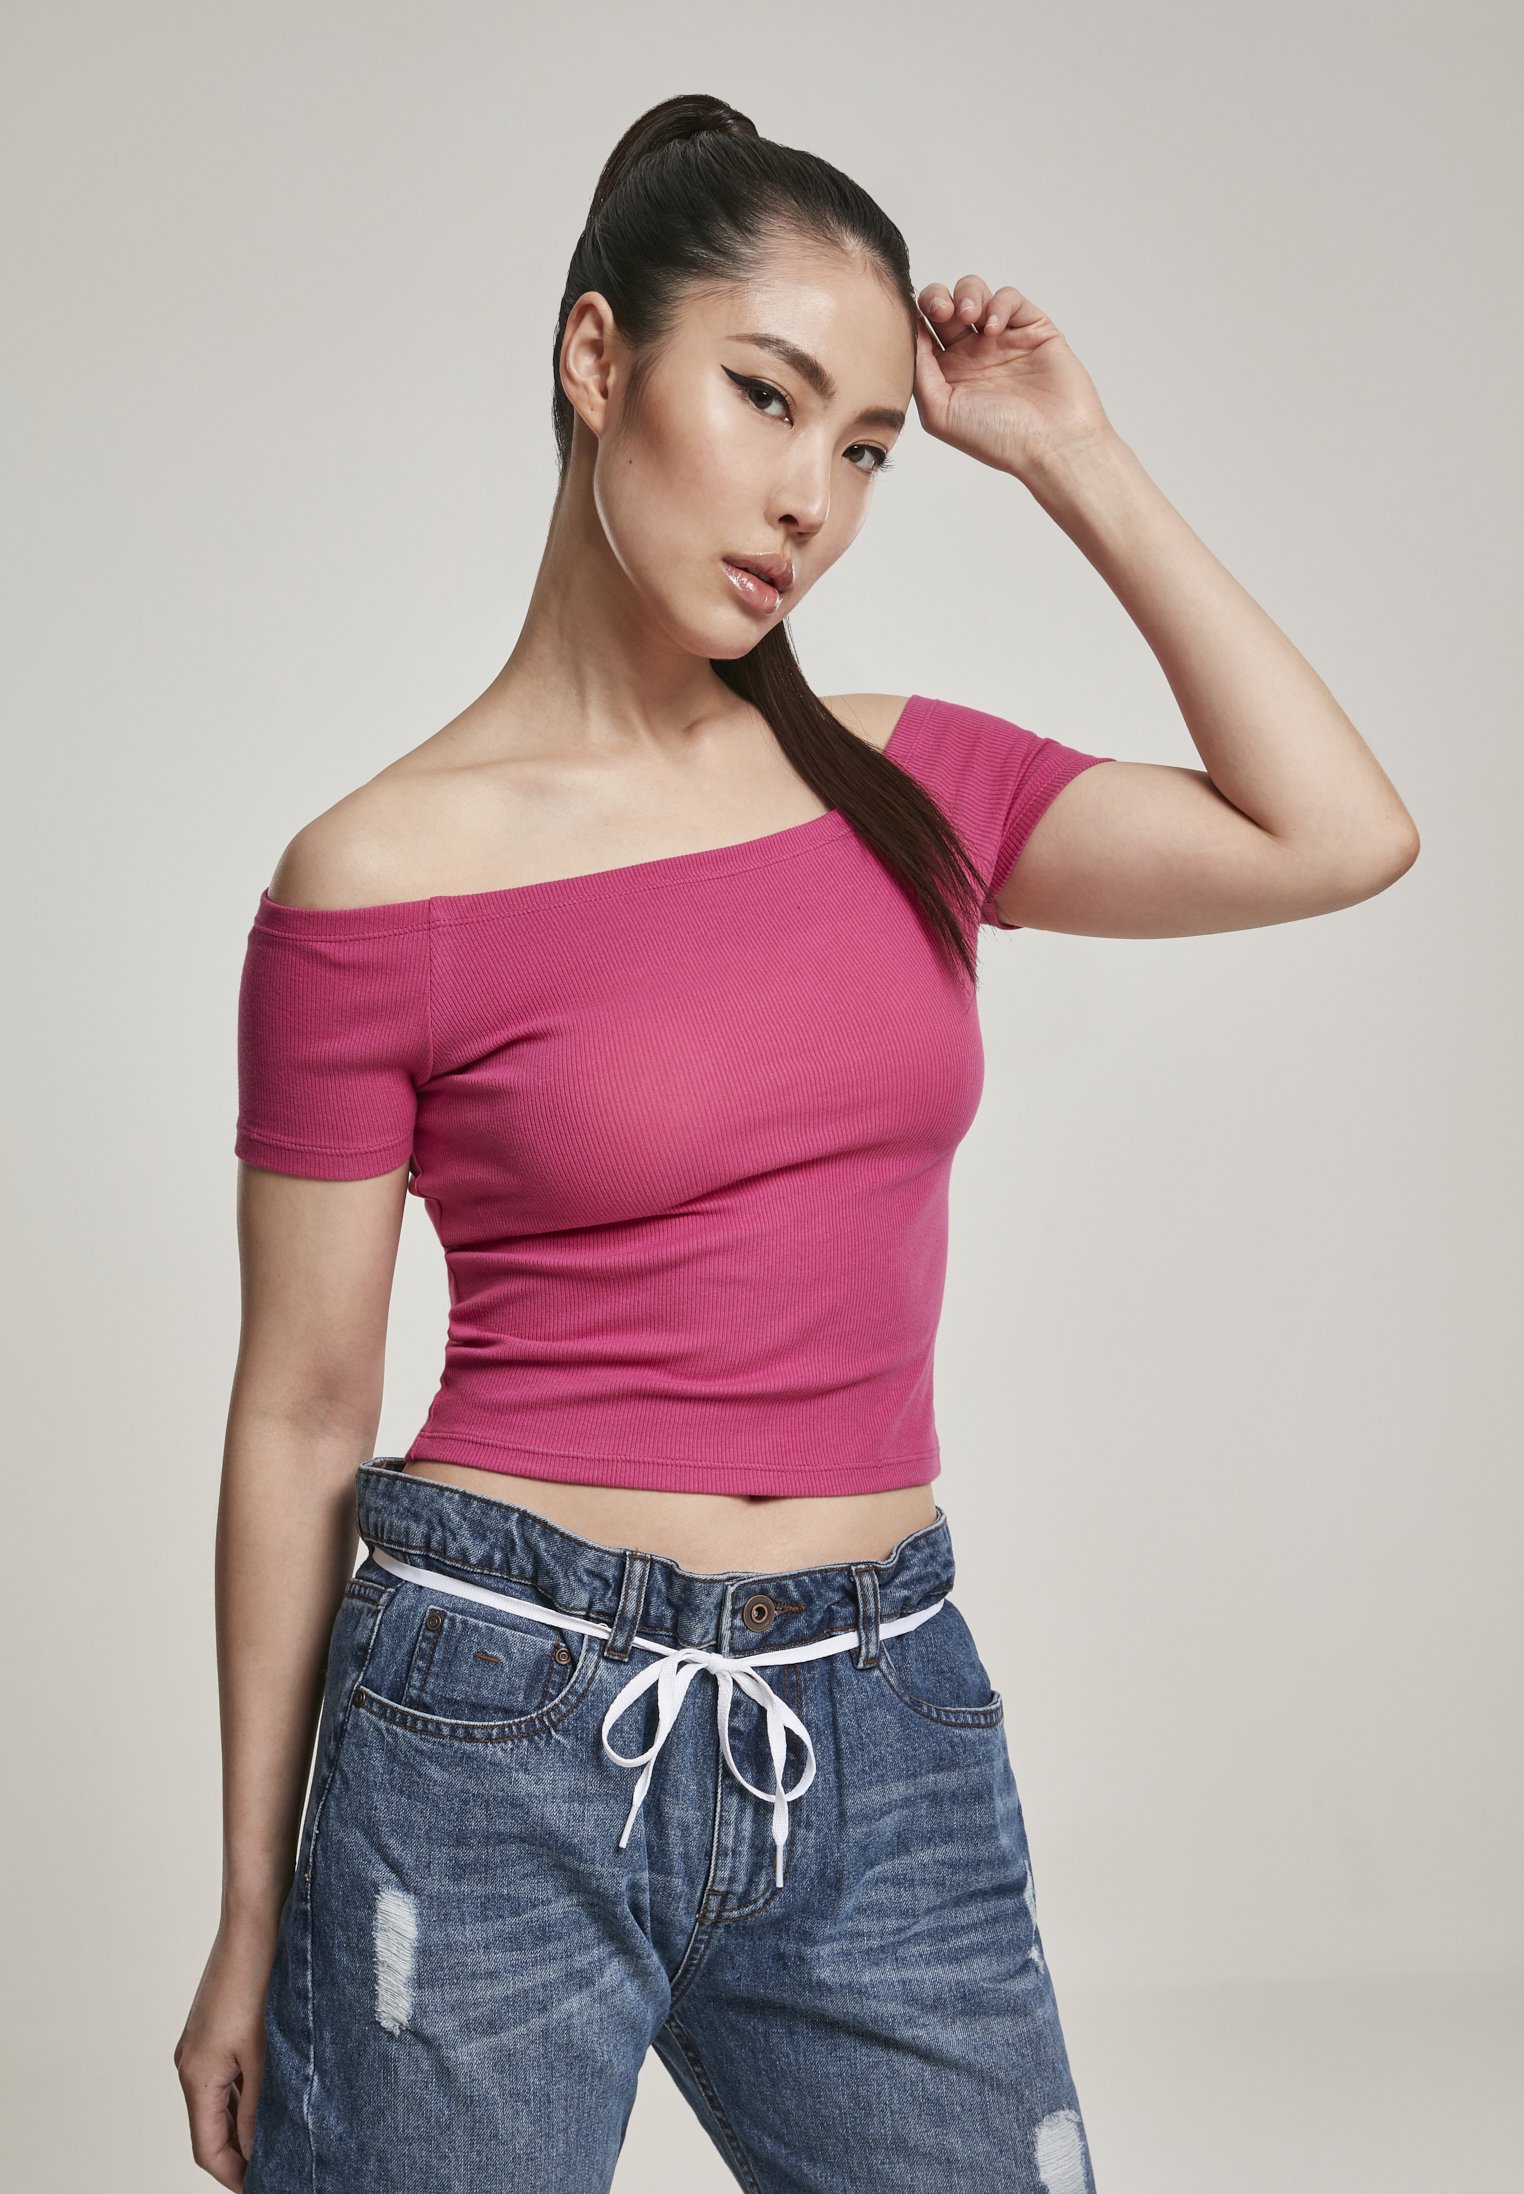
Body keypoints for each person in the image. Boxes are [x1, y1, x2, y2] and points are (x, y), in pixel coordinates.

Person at [174, 91, 1419, 2194]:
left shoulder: (909, 792)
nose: (808, 501)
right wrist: (246, 1908)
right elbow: (300, 1412)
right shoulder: (376, 879)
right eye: (765, 397)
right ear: (598, 358)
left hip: (882, 1712)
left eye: (863, 450)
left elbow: (1338, 831)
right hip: (491, 1725)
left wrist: (1072, 453)